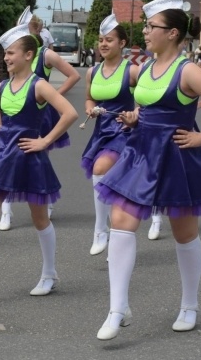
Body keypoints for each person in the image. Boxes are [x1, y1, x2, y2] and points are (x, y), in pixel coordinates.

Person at [94, 0, 201, 339]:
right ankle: (117, 309)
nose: (145, 31)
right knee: (121, 221)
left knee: (184, 232)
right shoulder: (145, 67)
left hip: (176, 156)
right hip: (140, 152)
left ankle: (189, 304)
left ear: (172, 33)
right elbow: (146, 107)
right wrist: (135, 117)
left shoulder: (188, 71)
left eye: (151, 26)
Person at [0, 24, 78, 308]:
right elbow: (2, 123)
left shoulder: (39, 85)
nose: (6, 57)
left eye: (11, 52)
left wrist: (44, 141)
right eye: (5, 53)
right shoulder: (1, 87)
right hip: (2, 156)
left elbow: (70, 113)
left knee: (40, 218)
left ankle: (49, 273)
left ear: (28, 55)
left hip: (29, 158)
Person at [0, 9, 80, 230]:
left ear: (37, 31)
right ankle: (6, 211)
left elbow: (74, 75)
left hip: (40, 113)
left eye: (26, 30)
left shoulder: (45, 55)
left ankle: (46, 199)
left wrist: (55, 96)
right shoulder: (14, 55)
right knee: (7, 158)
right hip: (18, 112)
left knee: (38, 157)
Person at [82, 13, 139, 255]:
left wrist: (136, 113)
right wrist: (90, 109)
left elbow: (147, 98)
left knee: (100, 168)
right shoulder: (92, 72)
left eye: (109, 40)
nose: (103, 44)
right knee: (112, 182)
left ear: (122, 43)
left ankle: (100, 230)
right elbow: (89, 98)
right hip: (101, 132)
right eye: (100, 40)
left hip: (123, 131)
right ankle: (113, 234)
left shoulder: (133, 71)